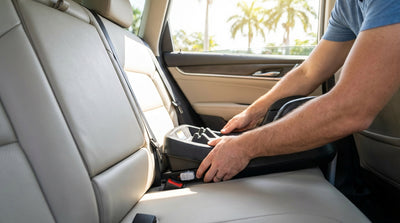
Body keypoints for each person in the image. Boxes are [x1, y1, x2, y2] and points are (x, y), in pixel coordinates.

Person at [196, 0, 400, 183]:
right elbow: (308, 72)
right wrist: (252, 113)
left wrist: (244, 147)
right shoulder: (348, 5)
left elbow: (350, 108)